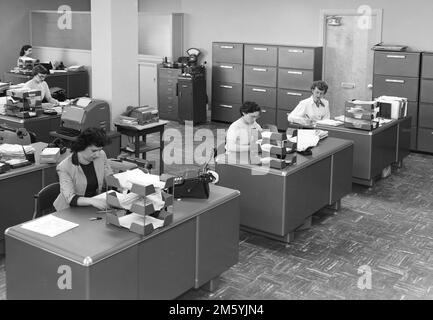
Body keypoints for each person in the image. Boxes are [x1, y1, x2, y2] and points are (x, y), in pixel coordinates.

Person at [53, 128, 113, 211]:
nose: (98, 154)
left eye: (100, 150)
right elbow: (70, 198)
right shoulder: (64, 167)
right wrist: (92, 201)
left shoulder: (101, 155)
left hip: (91, 207)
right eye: (94, 150)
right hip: (69, 209)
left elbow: (109, 176)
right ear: (82, 146)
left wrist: (120, 185)